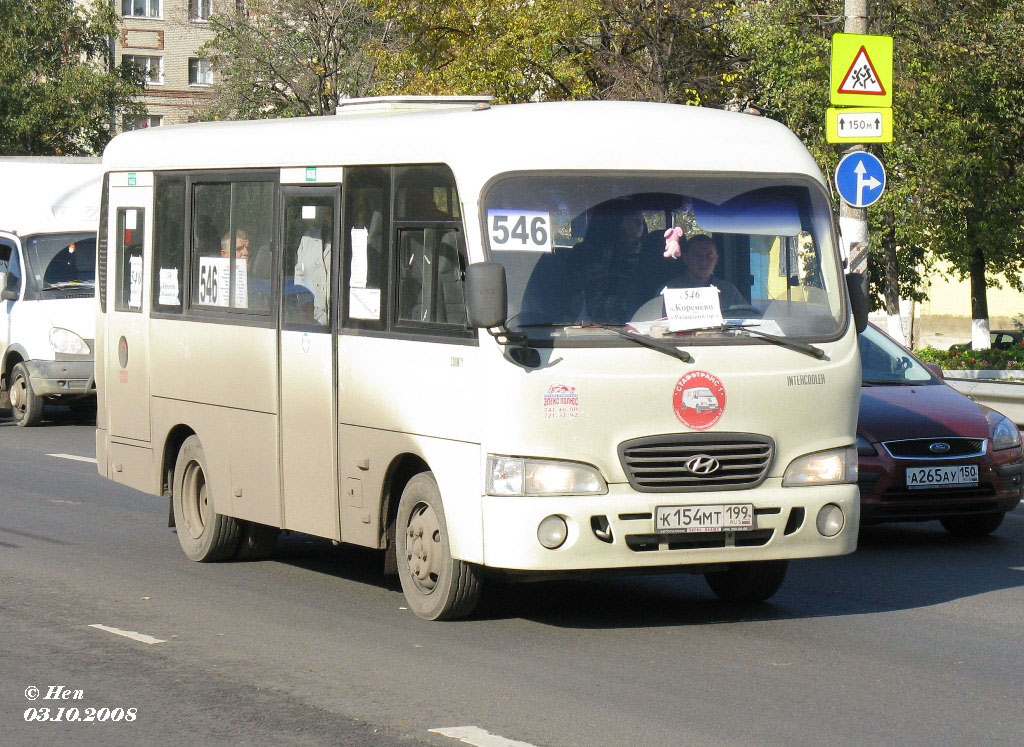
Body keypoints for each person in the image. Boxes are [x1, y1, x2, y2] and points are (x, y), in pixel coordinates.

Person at [664, 233, 746, 310]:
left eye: (709, 256)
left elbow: (748, 317)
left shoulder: (728, 291)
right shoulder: (668, 291)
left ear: (716, 259)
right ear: (686, 258)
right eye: (697, 256)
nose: (703, 261)